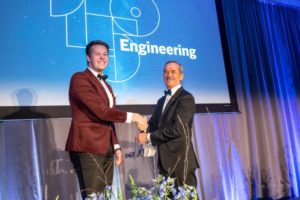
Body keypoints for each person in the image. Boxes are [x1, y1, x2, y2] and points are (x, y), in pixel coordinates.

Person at [65, 40, 146, 198]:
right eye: (97, 54)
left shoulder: (107, 86)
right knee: (93, 195)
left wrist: (116, 146)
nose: (102, 57)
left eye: (105, 54)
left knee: (105, 194)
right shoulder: (79, 78)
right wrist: (134, 117)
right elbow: (101, 111)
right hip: (88, 146)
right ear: (88, 57)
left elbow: (109, 119)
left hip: (106, 147)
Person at [135, 60, 199, 188]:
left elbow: (178, 129)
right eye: (166, 72)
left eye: (173, 72)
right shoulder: (161, 100)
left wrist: (148, 137)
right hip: (164, 163)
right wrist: (144, 125)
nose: (169, 75)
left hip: (181, 163)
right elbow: (153, 125)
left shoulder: (186, 98)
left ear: (181, 76)